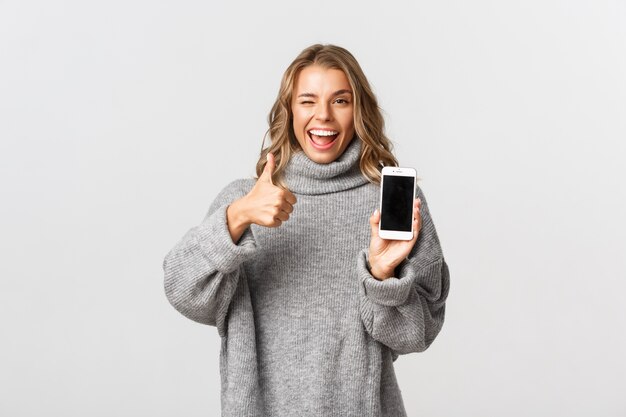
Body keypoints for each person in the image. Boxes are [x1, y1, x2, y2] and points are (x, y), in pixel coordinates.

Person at [162, 44, 450, 417]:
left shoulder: (392, 203)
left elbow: (417, 334)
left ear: (359, 109)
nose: (323, 116)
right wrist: (237, 217)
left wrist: (381, 277)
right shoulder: (246, 200)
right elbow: (182, 292)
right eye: (307, 101)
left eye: (340, 101)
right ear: (289, 111)